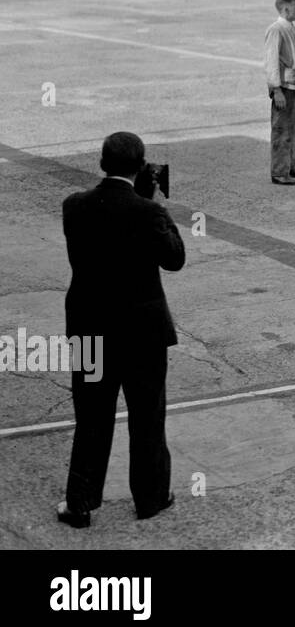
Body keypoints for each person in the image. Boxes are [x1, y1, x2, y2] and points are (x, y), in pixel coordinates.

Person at [57, 131, 186, 528]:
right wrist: (157, 207)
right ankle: (150, 497)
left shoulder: (74, 207)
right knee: (147, 416)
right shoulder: (147, 212)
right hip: (141, 333)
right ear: (141, 166)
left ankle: (79, 503)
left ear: (102, 163)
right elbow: (174, 259)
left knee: (91, 417)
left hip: (90, 330)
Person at [264, 0, 295, 185]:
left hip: (294, 88)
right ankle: (279, 172)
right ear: (286, 8)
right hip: (284, 88)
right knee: (281, 130)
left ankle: (290, 166)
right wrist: (276, 90)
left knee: (294, 129)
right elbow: (271, 61)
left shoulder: (290, 28)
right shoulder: (276, 29)